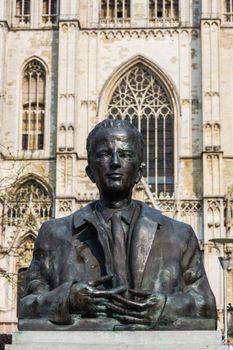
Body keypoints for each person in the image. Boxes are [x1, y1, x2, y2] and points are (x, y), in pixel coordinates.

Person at [19, 118, 216, 330]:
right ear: (90, 172)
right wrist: (67, 298)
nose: (115, 162)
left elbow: (205, 305)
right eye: (104, 154)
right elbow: (27, 307)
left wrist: (166, 307)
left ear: (139, 173)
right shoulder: (54, 234)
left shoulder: (179, 236)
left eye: (125, 154)